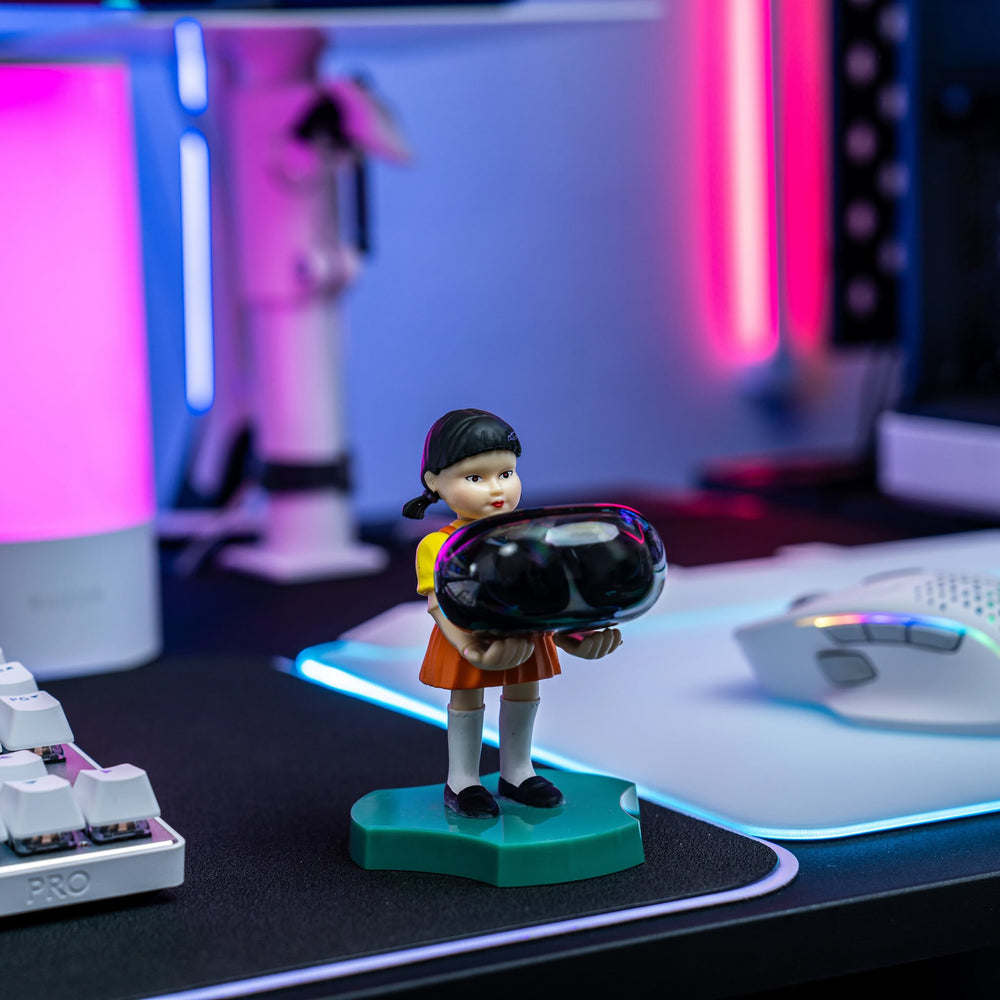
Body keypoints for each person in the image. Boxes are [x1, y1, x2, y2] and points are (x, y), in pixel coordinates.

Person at [402, 409, 622, 819]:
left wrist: (575, 635)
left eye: (506, 473)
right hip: (468, 635)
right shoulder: (437, 545)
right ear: (433, 482)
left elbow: (549, 597)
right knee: (466, 696)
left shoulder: (529, 536)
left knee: (524, 689)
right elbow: (437, 604)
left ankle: (518, 771)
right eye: (475, 478)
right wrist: (469, 648)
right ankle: (462, 780)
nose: (495, 489)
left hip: (524, 631)